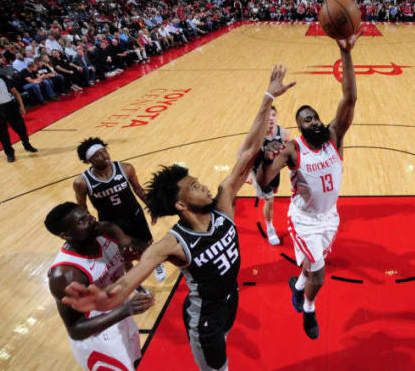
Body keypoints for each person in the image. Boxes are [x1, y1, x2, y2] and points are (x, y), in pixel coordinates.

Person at [62, 64, 295, 371]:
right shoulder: (172, 243)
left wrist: (267, 97)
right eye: (194, 187)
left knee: (224, 341)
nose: (203, 185)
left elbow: (249, 150)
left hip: (230, 300)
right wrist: (101, 300)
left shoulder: (223, 203)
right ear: (182, 205)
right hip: (204, 318)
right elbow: (129, 280)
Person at [256, 33, 361, 339]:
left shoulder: (334, 136)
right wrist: (265, 158)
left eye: (314, 117)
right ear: (298, 127)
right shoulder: (293, 150)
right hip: (303, 220)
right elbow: (264, 181)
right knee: (319, 273)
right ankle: (309, 307)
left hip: (330, 216)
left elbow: (350, 98)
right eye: (306, 120)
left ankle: (298, 285)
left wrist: (346, 54)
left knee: (312, 267)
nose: (313, 122)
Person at [46, 202, 154, 371]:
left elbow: (144, 249)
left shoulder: (107, 233)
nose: (91, 220)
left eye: (88, 214)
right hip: (98, 339)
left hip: (120, 318)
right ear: (65, 235)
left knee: (135, 363)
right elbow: (75, 329)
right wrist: (125, 310)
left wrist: (131, 246)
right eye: (81, 221)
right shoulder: (65, 274)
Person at [73, 137, 167, 282]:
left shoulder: (125, 168)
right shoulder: (81, 182)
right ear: (89, 160)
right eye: (97, 155)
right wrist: (89, 230)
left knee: (147, 244)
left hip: (134, 215)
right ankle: (135, 283)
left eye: (104, 151)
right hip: (110, 222)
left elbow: (138, 189)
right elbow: (82, 208)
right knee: (122, 254)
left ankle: (157, 264)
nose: (104, 156)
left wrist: (152, 207)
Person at [239, 105, 291, 245]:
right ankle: (270, 227)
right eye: (267, 115)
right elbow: (241, 154)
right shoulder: (256, 136)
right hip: (260, 173)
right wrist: (247, 174)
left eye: (273, 115)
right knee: (270, 199)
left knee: (275, 191)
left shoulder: (283, 133)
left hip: (275, 170)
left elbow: (289, 148)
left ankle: (264, 195)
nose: (270, 118)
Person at [0, 63, 37, 162]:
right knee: (2, 134)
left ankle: (27, 144)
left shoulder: (1, 77)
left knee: (21, 128)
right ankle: (9, 153)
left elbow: (15, 92)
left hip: (9, 106)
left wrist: (21, 106)